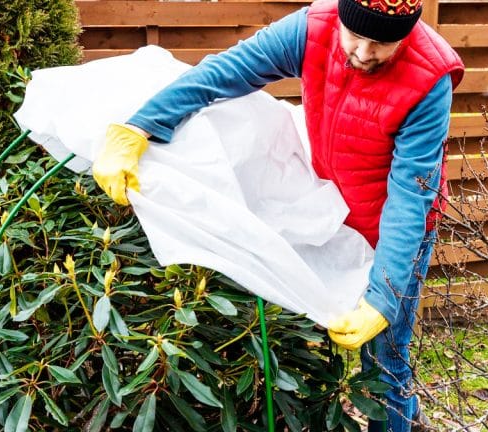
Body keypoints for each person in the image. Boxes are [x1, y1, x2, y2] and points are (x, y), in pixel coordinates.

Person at [92, 0, 464, 429]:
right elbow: (225, 72)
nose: (362, 53)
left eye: (381, 43)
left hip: (398, 231)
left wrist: (382, 299)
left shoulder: (429, 78)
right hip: (336, 213)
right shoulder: (313, 29)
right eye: (355, 36)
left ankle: (400, 420)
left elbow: (409, 198)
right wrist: (141, 125)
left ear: (407, 34)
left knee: (384, 364)